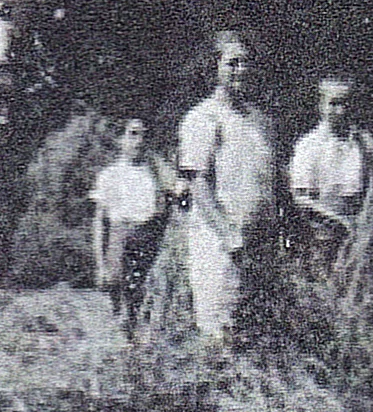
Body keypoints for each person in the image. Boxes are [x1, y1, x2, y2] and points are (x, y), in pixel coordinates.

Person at [176, 31, 278, 345]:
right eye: (232, 63)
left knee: (256, 327)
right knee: (219, 327)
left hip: (258, 237)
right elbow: (197, 182)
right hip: (219, 241)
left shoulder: (259, 120)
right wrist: (227, 233)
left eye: (245, 63)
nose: (241, 70)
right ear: (214, 68)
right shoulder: (203, 118)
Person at [288, 75, 373, 274]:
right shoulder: (309, 145)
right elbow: (302, 199)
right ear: (321, 105)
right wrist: (339, 222)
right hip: (323, 234)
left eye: (345, 103)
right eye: (333, 104)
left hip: (362, 233)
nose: (340, 111)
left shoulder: (361, 140)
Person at [90, 117, 170, 335]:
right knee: (118, 289)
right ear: (120, 138)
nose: (138, 141)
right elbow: (100, 222)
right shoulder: (109, 175)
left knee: (144, 292)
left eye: (143, 135)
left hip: (148, 235)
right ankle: (122, 332)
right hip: (120, 235)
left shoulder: (155, 174)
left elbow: (166, 209)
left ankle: (141, 335)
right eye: (133, 134)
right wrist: (100, 263)